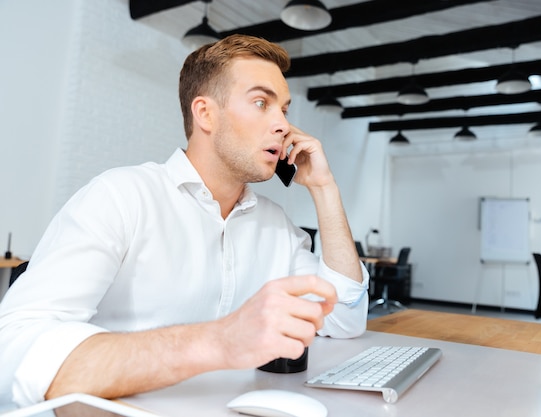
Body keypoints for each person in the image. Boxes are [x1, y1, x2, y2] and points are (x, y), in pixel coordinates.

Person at [0, 34, 369, 408]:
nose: (282, 126)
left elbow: (344, 319)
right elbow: (11, 349)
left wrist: (324, 188)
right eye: (262, 103)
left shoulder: (277, 227)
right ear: (205, 113)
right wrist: (220, 340)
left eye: (285, 110)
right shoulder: (121, 197)